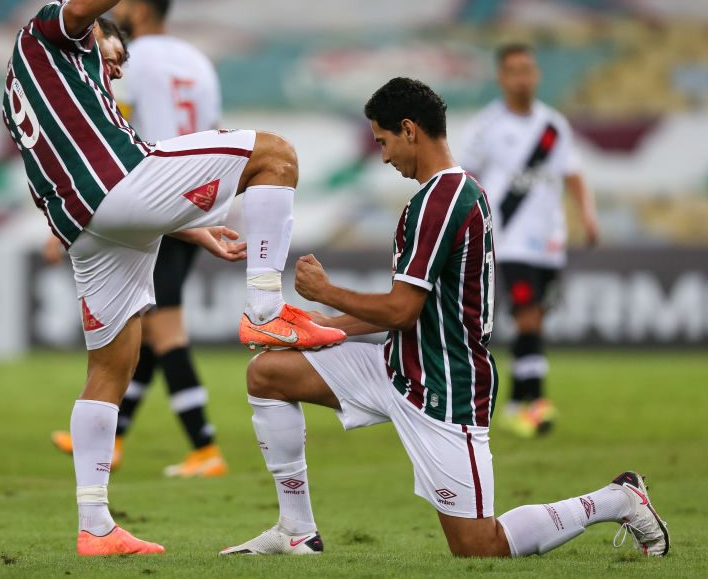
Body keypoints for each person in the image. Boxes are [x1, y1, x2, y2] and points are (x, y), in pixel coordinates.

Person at [0, 0, 345, 556]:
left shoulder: (43, 92)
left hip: (87, 225)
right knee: (277, 155)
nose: (120, 65)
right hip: (113, 192)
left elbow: (100, 182)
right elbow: (80, 12)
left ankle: (95, 525)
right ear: (94, 31)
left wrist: (198, 227)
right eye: (115, 49)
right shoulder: (53, 33)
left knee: (112, 366)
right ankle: (267, 310)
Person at [221, 77, 667, 559]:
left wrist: (328, 291)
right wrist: (321, 322)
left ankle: (619, 498)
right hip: (396, 368)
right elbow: (410, 309)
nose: (385, 156)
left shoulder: (444, 199)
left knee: (480, 546)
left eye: (384, 141)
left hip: (447, 387)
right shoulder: (440, 196)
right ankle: (296, 530)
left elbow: (402, 308)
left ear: (409, 130)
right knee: (268, 373)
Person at [50, 0, 227, 479]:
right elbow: (211, 129)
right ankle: (118, 436)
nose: (116, 10)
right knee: (146, 323)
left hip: (157, 197)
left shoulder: (132, 60)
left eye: (122, 3)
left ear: (141, 10)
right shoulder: (197, 60)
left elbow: (126, 136)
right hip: (197, 197)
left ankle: (205, 447)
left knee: (165, 328)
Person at [459, 43, 599, 438]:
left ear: (535, 75)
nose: (522, 77)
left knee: (535, 321)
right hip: (509, 239)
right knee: (528, 316)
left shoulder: (553, 126)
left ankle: (517, 404)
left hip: (549, 239)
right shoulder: (486, 127)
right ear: (502, 78)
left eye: (528, 69)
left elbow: (572, 173)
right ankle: (536, 404)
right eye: (514, 70)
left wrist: (587, 214)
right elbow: (462, 177)